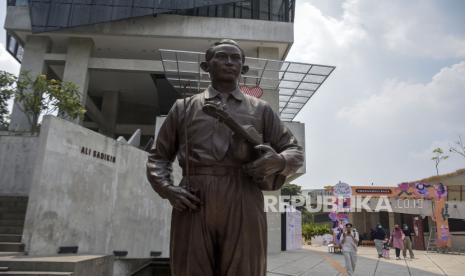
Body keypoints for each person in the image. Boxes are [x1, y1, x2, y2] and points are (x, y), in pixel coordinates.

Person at [146, 39, 304, 276]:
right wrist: (167, 189)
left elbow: (294, 151)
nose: (230, 62)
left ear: (243, 67)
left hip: (243, 194)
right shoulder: (183, 107)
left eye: (236, 58)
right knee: (190, 267)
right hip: (194, 197)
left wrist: (279, 161)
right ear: (206, 66)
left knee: (245, 267)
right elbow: (158, 156)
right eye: (222, 56)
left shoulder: (261, 109)